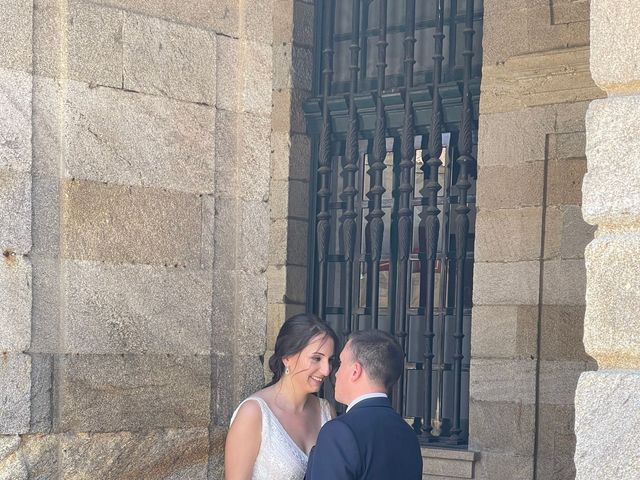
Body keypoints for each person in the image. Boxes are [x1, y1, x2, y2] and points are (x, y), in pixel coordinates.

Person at [224, 313, 338, 480]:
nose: (326, 370)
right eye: (316, 358)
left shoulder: (326, 411)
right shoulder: (254, 413)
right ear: (287, 358)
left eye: (330, 360)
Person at [305, 329, 423, 480]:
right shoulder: (408, 433)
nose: (335, 373)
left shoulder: (339, 431)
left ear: (355, 371)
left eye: (340, 363)